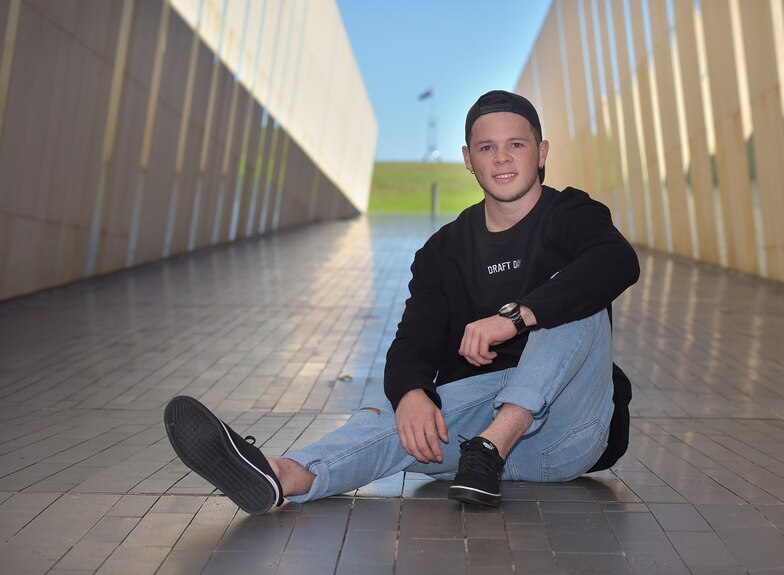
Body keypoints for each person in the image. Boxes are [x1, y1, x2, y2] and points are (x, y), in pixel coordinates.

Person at [164, 90, 639, 514]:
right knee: (392, 402)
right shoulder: (444, 250)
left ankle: (495, 445)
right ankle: (283, 475)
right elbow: (412, 343)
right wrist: (411, 394)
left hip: (565, 434)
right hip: (461, 449)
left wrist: (515, 317)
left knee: (576, 294)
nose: (502, 158)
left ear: (541, 152)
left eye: (516, 143)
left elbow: (617, 261)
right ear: (468, 159)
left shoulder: (570, 214)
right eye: (486, 147)